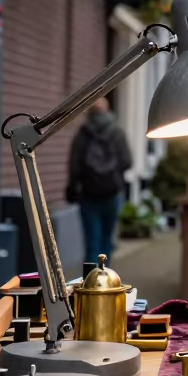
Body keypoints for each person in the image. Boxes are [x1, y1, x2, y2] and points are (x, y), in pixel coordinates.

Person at [66, 98, 132, 266]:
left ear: (89, 112)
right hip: (112, 192)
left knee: (91, 242)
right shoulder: (117, 132)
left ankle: (90, 285)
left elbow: (74, 166)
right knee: (107, 241)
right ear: (107, 110)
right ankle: (104, 283)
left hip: (88, 194)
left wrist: (72, 189)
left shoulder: (82, 134)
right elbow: (127, 161)